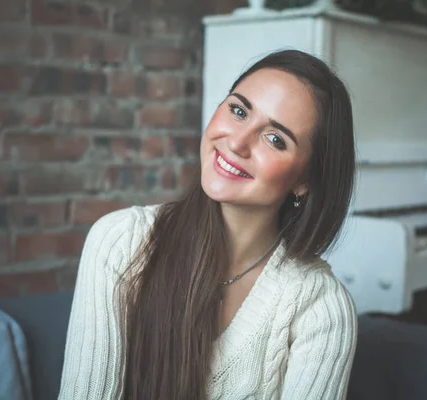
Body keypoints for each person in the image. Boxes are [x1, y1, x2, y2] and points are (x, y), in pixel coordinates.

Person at [59, 49, 357, 399]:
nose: (237, 142)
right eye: (239, 110)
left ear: (304, 180)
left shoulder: (322, 309)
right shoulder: (120, 241)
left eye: (275, 139)